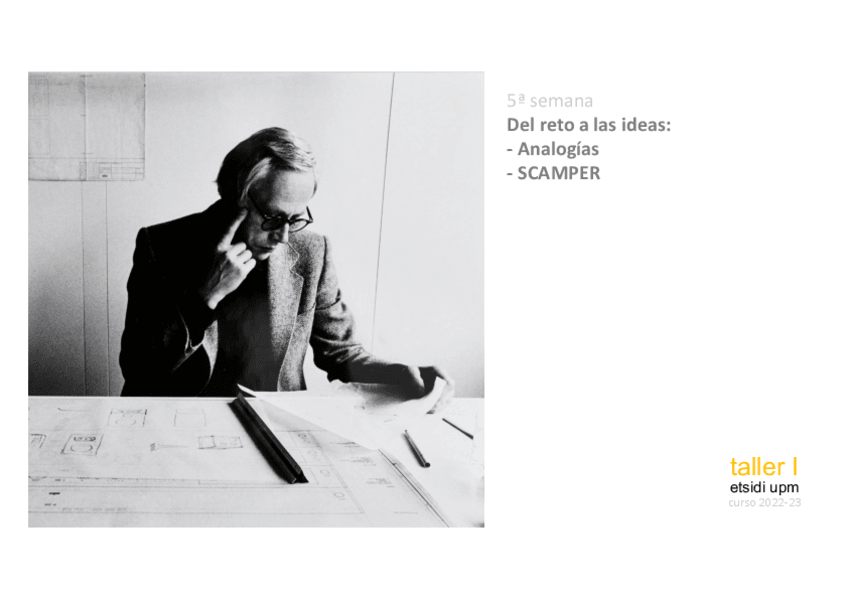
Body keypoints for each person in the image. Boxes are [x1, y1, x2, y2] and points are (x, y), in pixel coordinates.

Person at [119, 127, 454, 411]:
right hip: (179, 418)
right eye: (273, 217)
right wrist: (205, 297)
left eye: (295, 219)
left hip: (275, 423)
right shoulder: (161, 245)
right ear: (234, 198)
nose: (283, 236)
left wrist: (399, 374)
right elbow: (138, 369)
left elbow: (341, 353)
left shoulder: (312, 252)